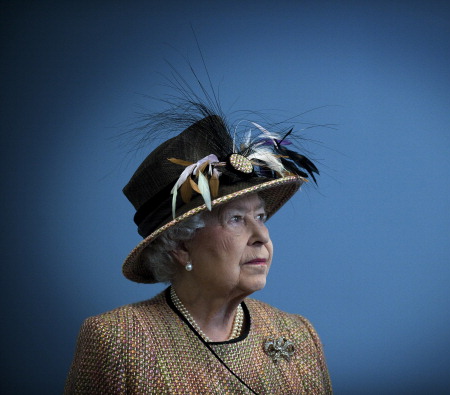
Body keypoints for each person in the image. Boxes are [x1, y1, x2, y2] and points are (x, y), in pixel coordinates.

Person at [65, 103, 332, 393]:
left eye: (260, 217)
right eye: (235, 219)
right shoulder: (118, 340)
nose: (261, 236)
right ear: (181, 246)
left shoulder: (299, 334)